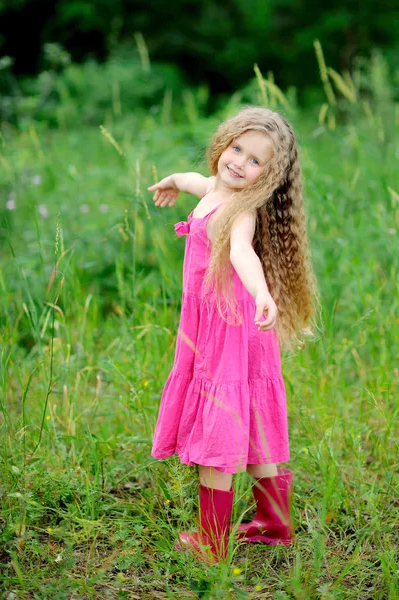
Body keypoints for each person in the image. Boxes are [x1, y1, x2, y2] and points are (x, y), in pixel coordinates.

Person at [147, 106, 321, 564]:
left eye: (255, 161)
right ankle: (275, 522)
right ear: (223, 142)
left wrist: (263, 292)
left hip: (228, 326)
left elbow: (243, 252)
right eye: (237, 148)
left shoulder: (239, 210)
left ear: (269, 176)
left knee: (219, 419)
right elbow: (192, 179)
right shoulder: (213, 190)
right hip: (230, 327)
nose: (239, 163)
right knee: (254, 420)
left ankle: (212, 539)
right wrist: (171, 180)